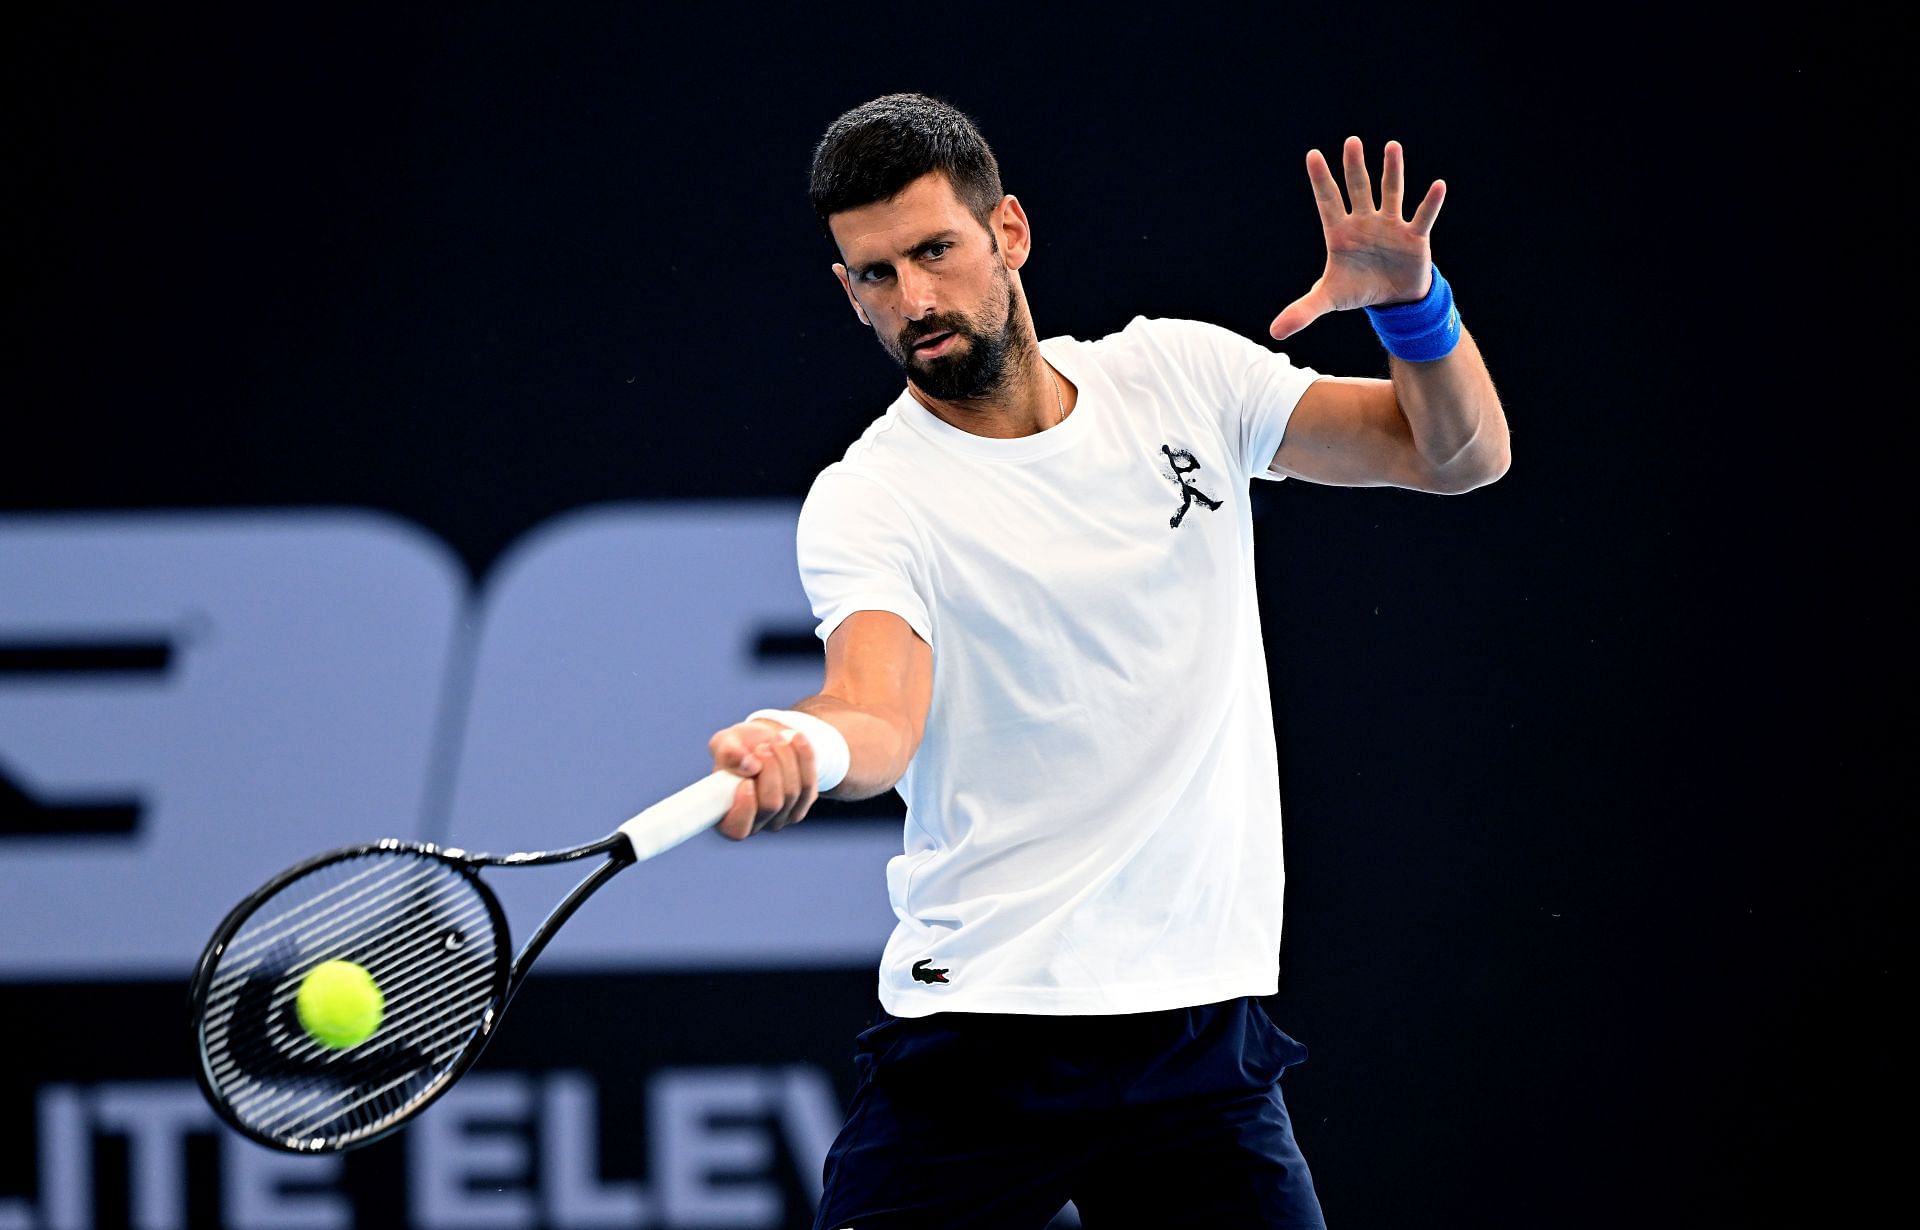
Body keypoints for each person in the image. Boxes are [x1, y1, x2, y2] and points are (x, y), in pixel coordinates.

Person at [704, 93, 1507, 1229]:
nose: (916, 301)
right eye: (876, 276)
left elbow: (1457, 455)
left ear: (1010, 234)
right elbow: (878, 715)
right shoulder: (870, 497)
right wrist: (809, 742)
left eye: (935, 251)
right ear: (849, 293)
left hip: (1194, 1043)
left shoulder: (1181, 379)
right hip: (982, 1037)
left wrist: (1417, 311)